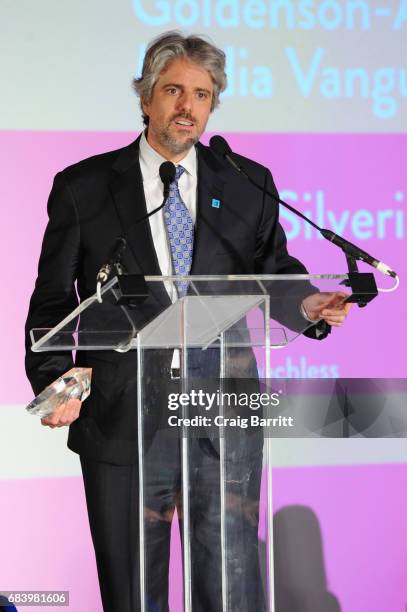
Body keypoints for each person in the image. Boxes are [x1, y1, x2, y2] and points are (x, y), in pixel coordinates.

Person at [25, 31, 351, 612]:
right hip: (122, 414)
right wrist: (56, 381)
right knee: (131, 592)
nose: (187, 107)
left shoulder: (246, 183)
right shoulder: (86, 187)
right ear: (146, 98)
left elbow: (272, 273)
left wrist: (307, 306)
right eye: (174, 90)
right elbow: (52, 303)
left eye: (202, 95)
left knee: (228, 589)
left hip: (221, 415)